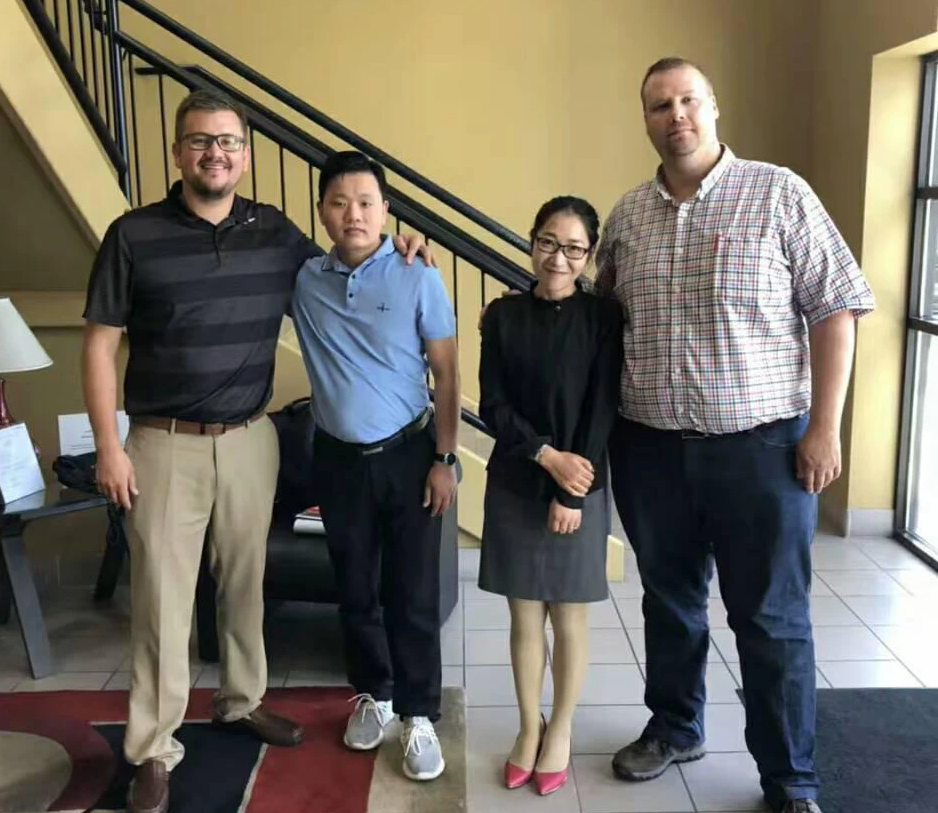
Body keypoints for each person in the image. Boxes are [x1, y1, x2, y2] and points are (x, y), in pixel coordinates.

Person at [82, 91, 429, 813]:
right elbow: (100, 345)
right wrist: (109, 446)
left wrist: (402, 249)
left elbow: (343, 268)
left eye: (229, 142)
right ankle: (154, 747)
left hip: (250, 439)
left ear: (245, 154)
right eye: (201, 141)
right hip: (163, 444)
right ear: (178, 152)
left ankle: (241, 701)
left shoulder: (274, 234)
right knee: (162, 602)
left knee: (245, 583)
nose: (216, 153)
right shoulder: (132, 235)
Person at [596, 58, 875, 813]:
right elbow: (597, 321)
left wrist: (826, 427)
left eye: (688, 100)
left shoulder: (779, 193)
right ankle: (676, 726)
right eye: (659, 105)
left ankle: (789, 778)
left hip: (763, 451)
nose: (676, 116)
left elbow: (836, 309)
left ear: (713, 106)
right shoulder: (627, 217)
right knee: (669, 602)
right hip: (651, 449)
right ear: (646, 119)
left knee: (771, 617)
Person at [290, 150, 460, 783]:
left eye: (366, 202)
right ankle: (375, 694)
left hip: (410, 454)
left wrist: (445, 459)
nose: (353, 214)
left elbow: (447, 375)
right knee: (355, 587)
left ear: (386, 210)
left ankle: (418, 714)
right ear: (322, 213)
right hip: (337, 460)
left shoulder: (419, 275)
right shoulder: (304, 280)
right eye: (339, 203)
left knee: (412, 592)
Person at [477, 196, 621, 797]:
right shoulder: (503, 316)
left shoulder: (603, 317)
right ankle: (527, 726)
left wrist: (572, 490)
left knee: (569, 613)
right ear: (532, 240)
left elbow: (601, 408)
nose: (558, 259)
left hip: (578, 487)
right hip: (518, 479)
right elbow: (493, 404)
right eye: (547, 243)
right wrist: (545, 455)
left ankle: (559, 728)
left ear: (589, 255)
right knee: (523, 615)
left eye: (573, 248)